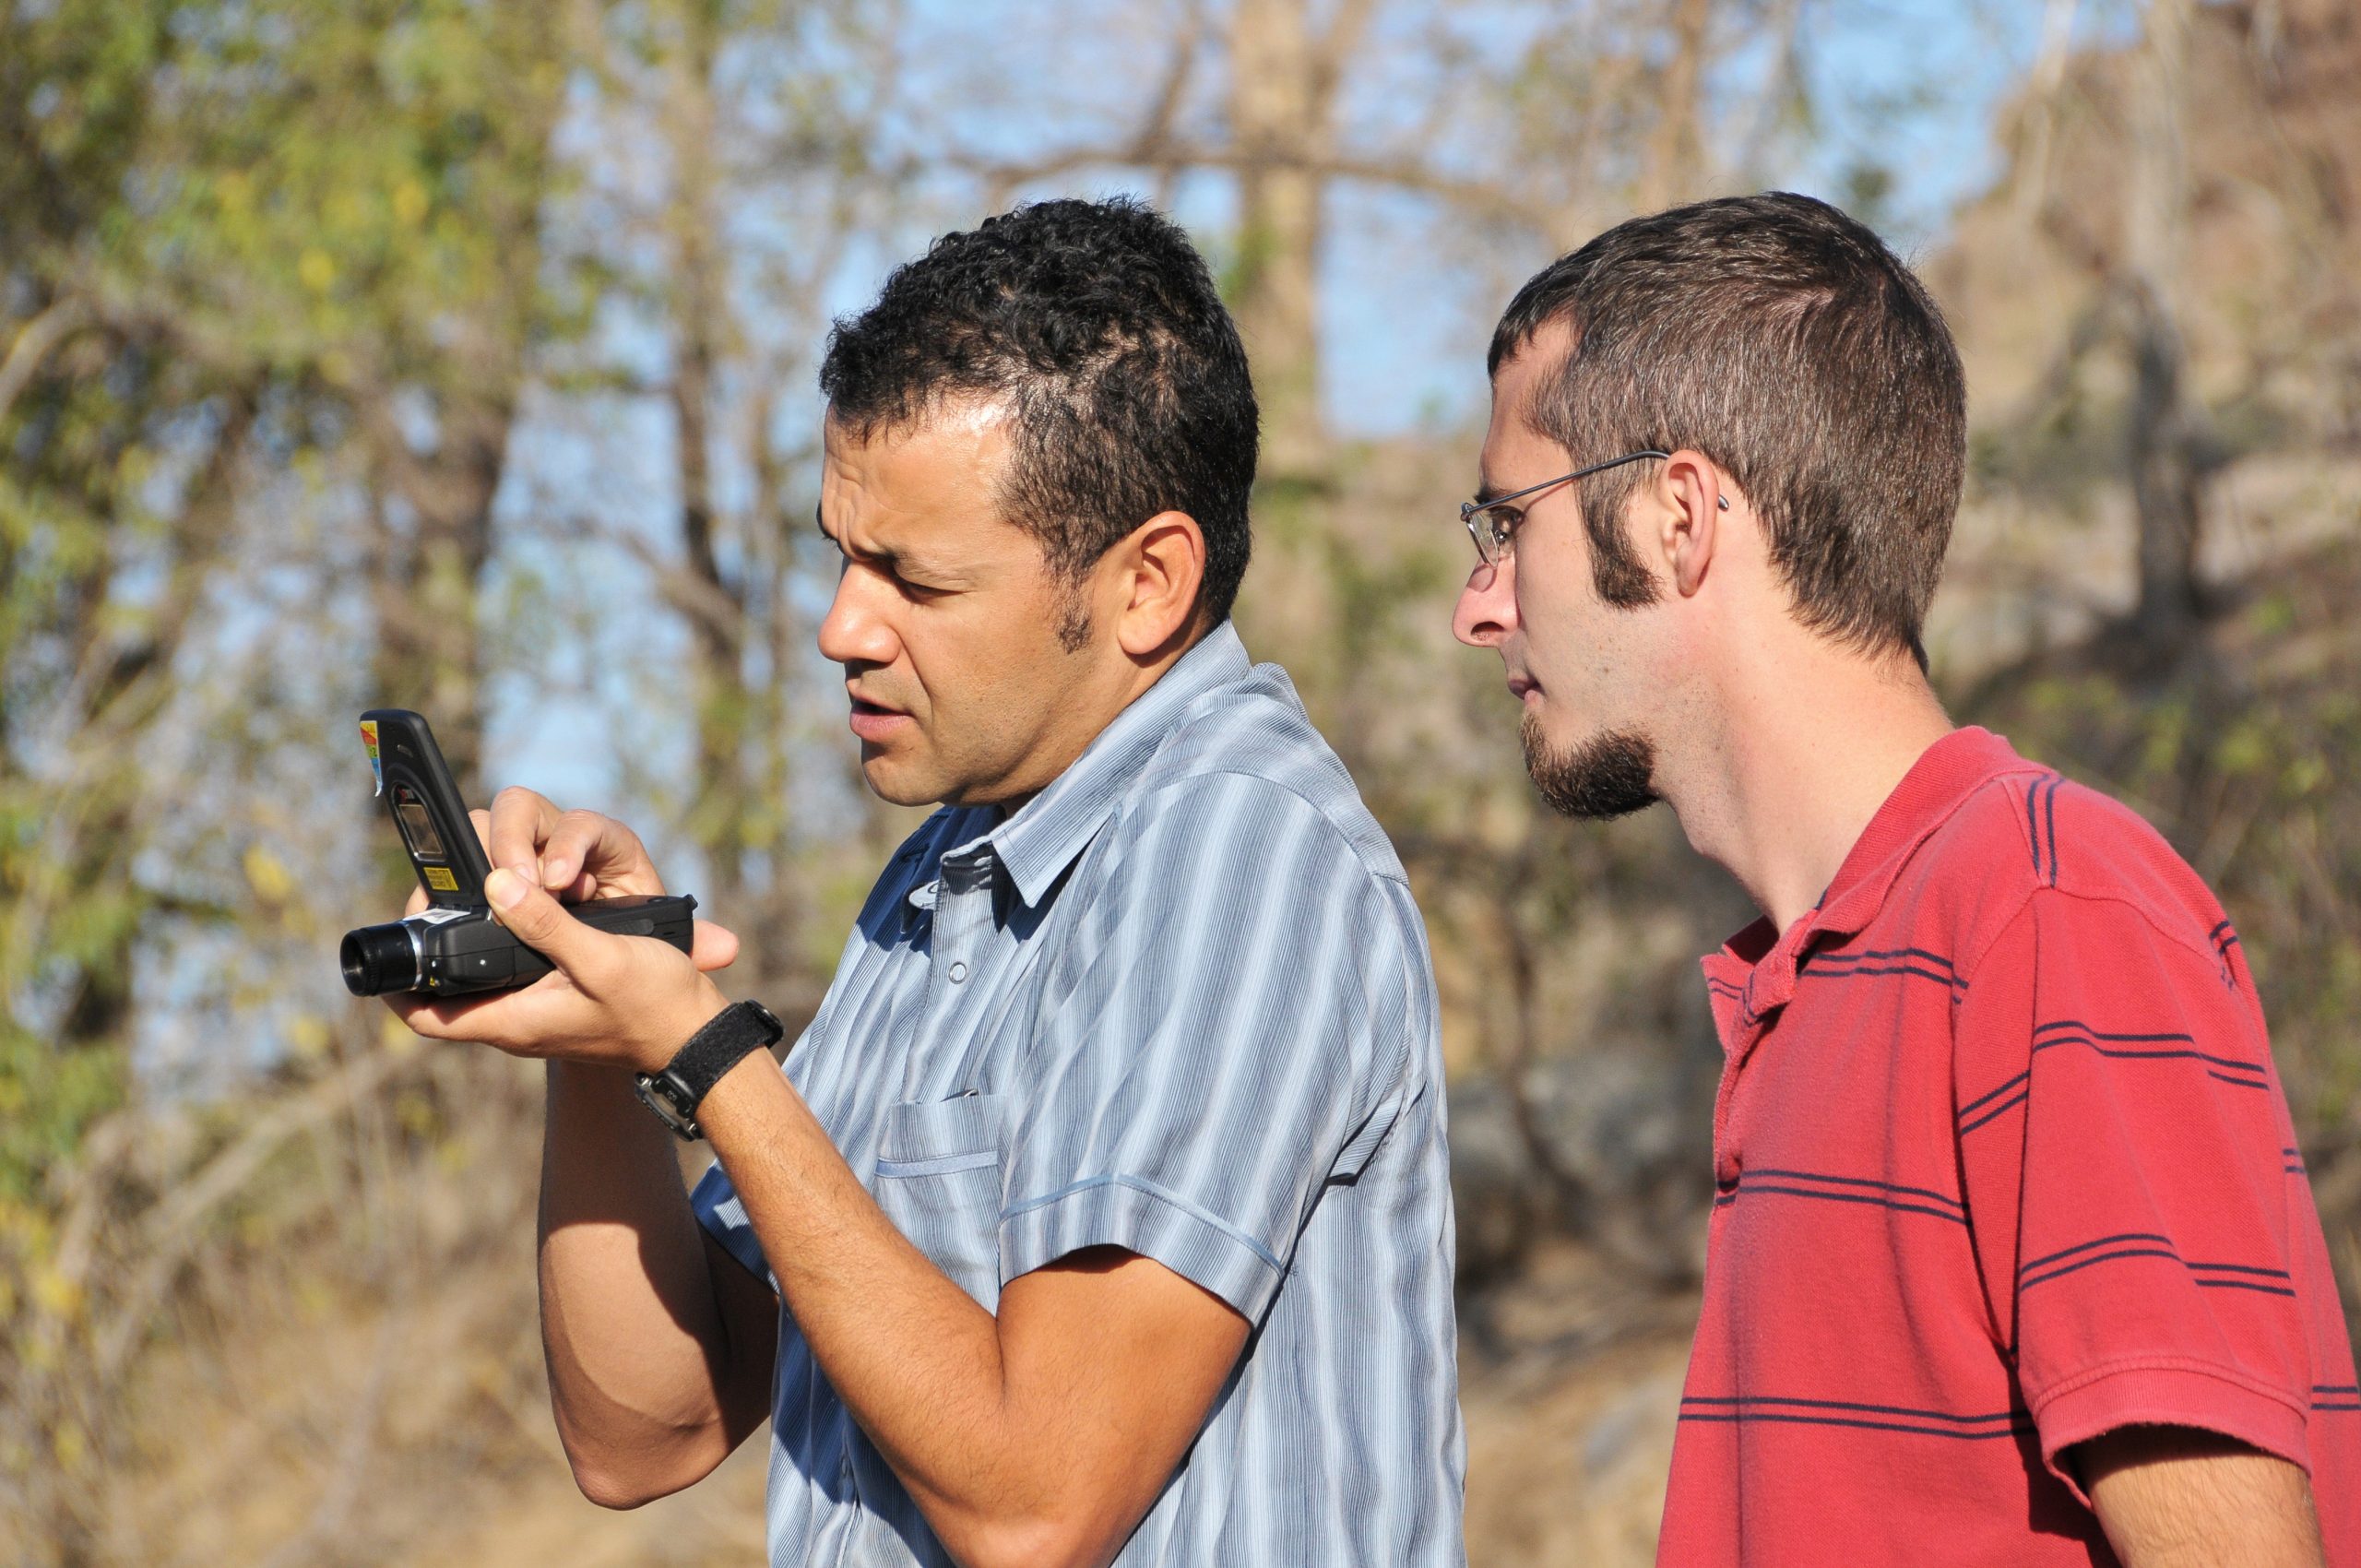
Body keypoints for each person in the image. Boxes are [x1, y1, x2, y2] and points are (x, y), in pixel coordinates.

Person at [386, 197, 1464, 1568]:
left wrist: (709, 1058)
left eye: (915, 579)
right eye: (842, 556)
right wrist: (600, 1019)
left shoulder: (1241, 855)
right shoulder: (945, 870)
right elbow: (643, 1433)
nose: (842, 627)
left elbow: (1036, 1504)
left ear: (1148, 584)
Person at [1451, 192, 2356, 1567]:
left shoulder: (2043, 912)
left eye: (1511, 523)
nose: (1480, 604)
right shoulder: (1820, 975)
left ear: (1680, 516)